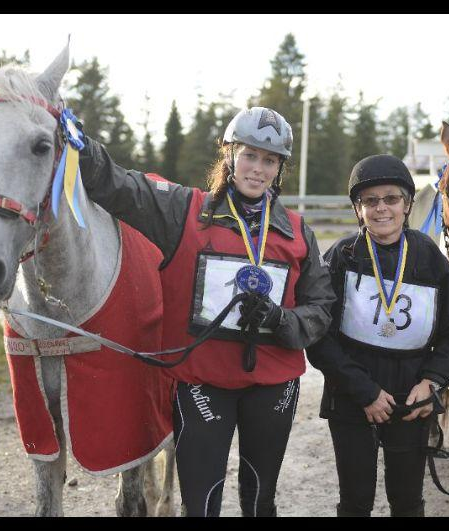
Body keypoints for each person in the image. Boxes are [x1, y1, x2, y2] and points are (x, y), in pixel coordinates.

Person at [77, 107, 335, 517]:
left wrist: (281, 320)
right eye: (250, 155)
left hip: (273, 384)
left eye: (269, 160)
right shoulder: (185, 209)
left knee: (259, 500)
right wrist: (83, 148)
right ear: (231, 155)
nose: (258, 168)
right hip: (202, 382)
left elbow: (321, 309)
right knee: (200, 502)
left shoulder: (298, 231)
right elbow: (123, 187)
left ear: (279, 168)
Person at [307, 154, 449, 517]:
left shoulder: (429, 257)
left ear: (407, 204)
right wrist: (363, 391)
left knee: (408, 502)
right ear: (358, 209)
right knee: (355, 502)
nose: (382, 209)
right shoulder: (341, 258)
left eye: (391, 199)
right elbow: (318, 336)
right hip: (352, 395)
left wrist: (433, 381)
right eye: (371, 201)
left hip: (411, 397)